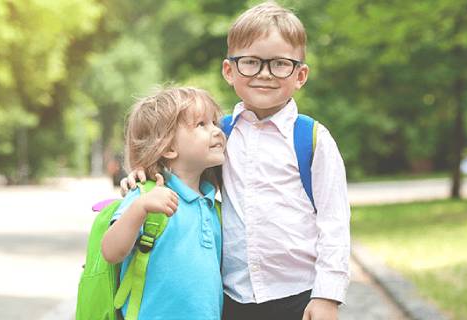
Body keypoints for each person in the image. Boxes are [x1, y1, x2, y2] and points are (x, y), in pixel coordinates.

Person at [121, 2, 351, 320]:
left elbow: (334, 223)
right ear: (229, 70)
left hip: (298, 295)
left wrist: (328, 296)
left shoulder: (312, 139)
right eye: (251, 62)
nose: (265, 74)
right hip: (233, 297)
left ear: (300, 75)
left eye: (280, 64)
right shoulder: (221, 134)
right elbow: (182, 171)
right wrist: (142, 175)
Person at [101, 86, 226, 319]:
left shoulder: (212, 205)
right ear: (169, 147)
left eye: (215, 123)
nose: (217, 131)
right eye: (201, 124)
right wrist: (140, 207)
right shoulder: (147, 197)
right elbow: (111, 251)